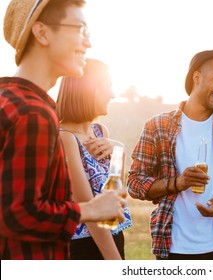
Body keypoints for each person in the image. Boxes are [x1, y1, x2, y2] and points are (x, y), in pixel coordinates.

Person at [0, 0, 127, 260]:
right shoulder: (33, 113)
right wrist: (90, 211)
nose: (88, 43)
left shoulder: (9, 99)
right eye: (80, 30)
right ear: (42, 32)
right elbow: (17, 213)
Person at [128, 49, 213, 260]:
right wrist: (177, 183)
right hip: (172, 248)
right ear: (196, 77)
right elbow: (135, 182)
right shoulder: (157, 126)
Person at [56, 58, 133, 260]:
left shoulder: (100, 132)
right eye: (107, 86)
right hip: (83, 247)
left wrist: (120, 150)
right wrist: (114, 261)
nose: (112, 94)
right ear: (87, 90)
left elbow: (115, 195)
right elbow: (88, 207)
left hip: (114, 235)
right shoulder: (65, 138)